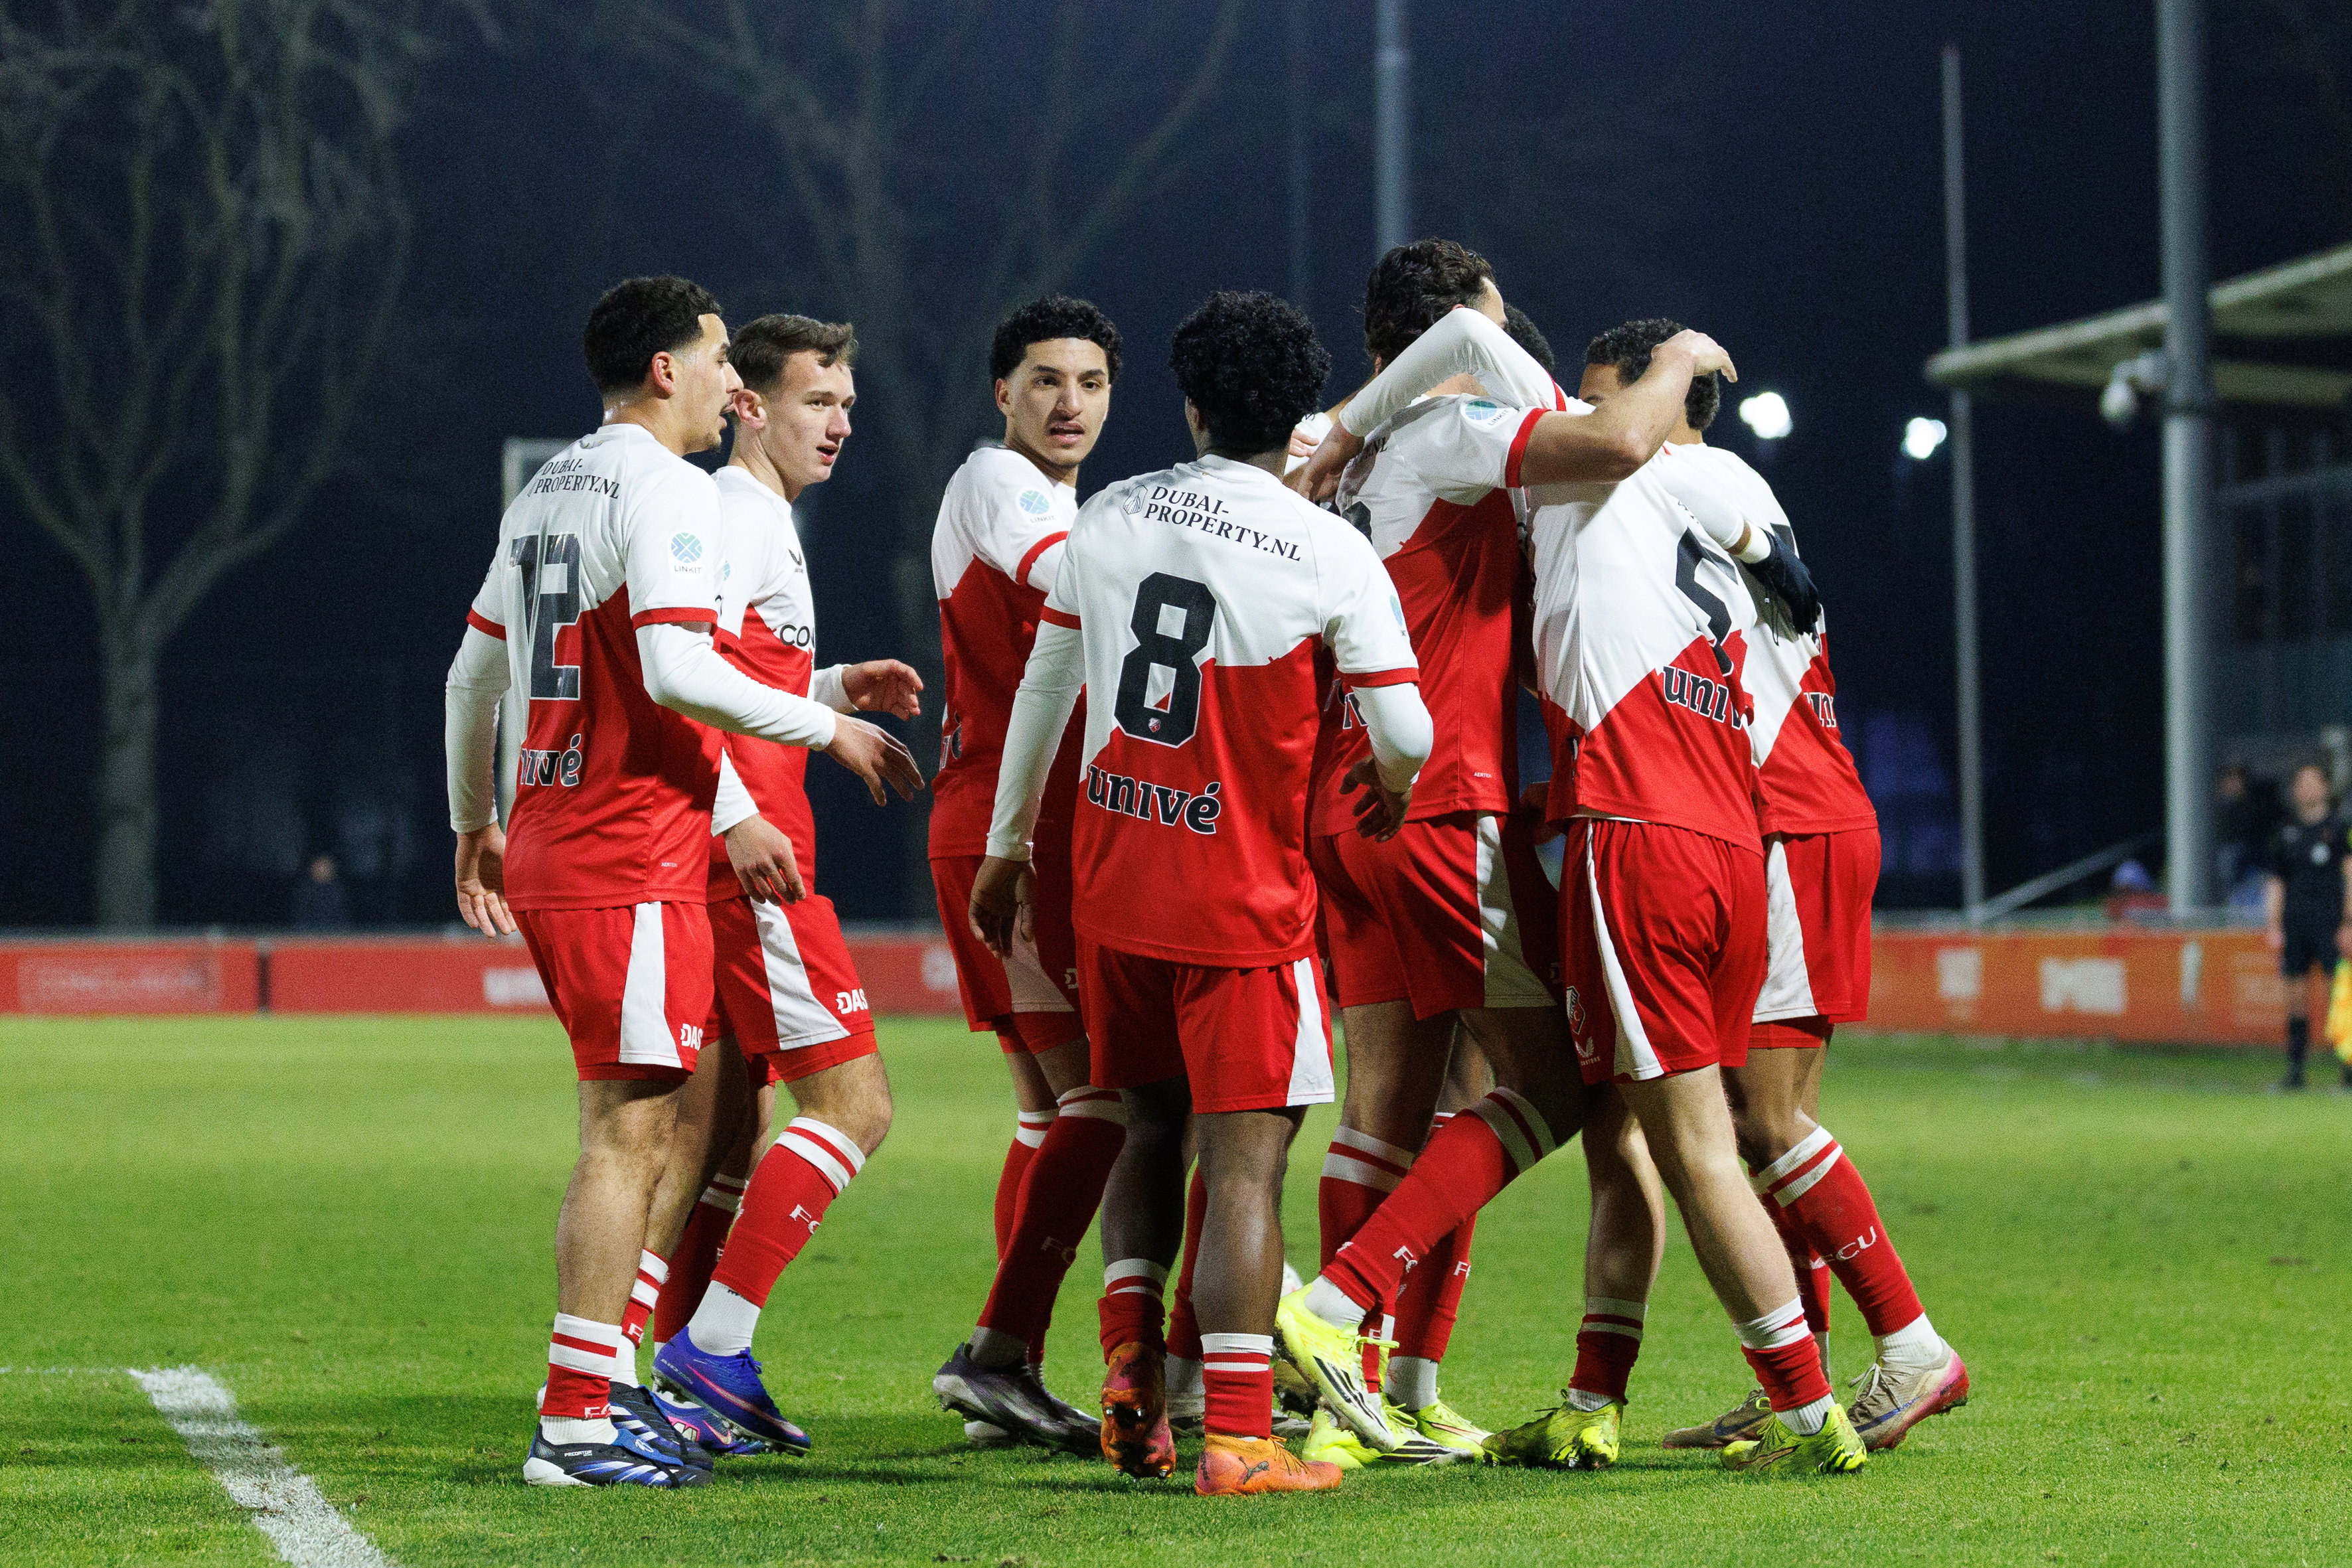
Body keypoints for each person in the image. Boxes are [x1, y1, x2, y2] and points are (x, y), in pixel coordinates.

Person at [1291, 301, 1868, 1476]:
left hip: (1607, 824)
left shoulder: (1606, 472)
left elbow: (1533, 386)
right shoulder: (1673, 477)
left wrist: (1342, 428)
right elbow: (1686, 493)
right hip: (1677, 827)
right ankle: (1500, 1371)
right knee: (1634, 1121)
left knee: (1636, 1128)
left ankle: (1370, 1338)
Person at [443, 275, 921, 1489]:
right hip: (629, 846)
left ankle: (611, 1389)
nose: (729, 382)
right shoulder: (671, 491)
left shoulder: (548, 487)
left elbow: (471, 676)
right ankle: (582, 1415)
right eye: (718, 358)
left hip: (559, 833)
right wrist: (822, 735)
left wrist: (474, 820)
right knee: (633, 1133)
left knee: (686, 1124)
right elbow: (674, 668)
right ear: (667, 369)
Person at [973, 289, 1431, 1496]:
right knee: (1244, 1165)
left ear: (1188, 406)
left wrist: (1008, 845)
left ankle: (1129, 1371)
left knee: (1144, 1124)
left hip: (1113, 883)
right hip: (1240, 898)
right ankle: (1235, 1435)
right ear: (1299, 417)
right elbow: (1404, 729)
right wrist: (1387, 785)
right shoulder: (1326, 547)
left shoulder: (1111, 513)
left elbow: (1046, 685)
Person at [1568, 319, 1966, 1456]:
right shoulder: (1725, 491)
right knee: (1749, 1128)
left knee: (1763, 1116)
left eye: (1604, 399)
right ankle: (1809, 1379)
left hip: (1787, 818)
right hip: (1788, 818)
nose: (1592, 422)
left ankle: (1910, 1344)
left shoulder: (1672, 482)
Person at [1287, 240, 1622, 1468]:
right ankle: (1337, 1313)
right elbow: (1503, 371)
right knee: (1544, 1089)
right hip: (1436, 799)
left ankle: (1375, 1397)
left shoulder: (1331, 455)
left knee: (1392, 1104)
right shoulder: (1446, 432)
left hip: (1343, 800)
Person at [644, 314, 925, 1455]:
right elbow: (676, 680)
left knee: (722, 1128)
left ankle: (656, 1384)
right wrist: (736, 814)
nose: (840, 422)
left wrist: (830, 682)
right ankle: (709, 1348)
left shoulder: (760, 519)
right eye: (817, 400)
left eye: (846, 403)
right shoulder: (733, 514)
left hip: (737, 850)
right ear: (749, 406)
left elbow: (731, 673)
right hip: (753, 865)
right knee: (854, 1107)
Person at [928, 297, 1129, 1451]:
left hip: (1023, 824)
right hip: (1012, 832)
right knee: (1107, 1097)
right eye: (1046, 380)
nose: (1069, 403)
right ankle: (1003, 1351)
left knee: (1051, 1109)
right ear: (1002, 393)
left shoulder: (1070, 503)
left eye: (1091, 383)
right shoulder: (997, 483)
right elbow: (1068, 575)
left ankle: (1007, 1368)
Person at [2264, 761, 2352, 1091]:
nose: (2308, 789)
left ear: (2325, 788)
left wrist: (2349, 921)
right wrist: (2274, 924)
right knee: (2296, 997)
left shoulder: (2341, 829)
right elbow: (2276, 882)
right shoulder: (2285, 833)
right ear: (2295, 791)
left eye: (2314, 782)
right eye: (2302, 784)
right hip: (2295, 925)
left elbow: (2350, 874)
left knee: (2338, 996)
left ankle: (2348, 1071)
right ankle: (2296, 1072)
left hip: (2331, 925)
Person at [291, 854, 351, 930]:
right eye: (319, 867)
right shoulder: (305, 889)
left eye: (325, 867)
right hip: (308, 932)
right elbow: (301, 915)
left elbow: (342, 915)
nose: (322, 870)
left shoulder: (337, 890)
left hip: (334, 931)